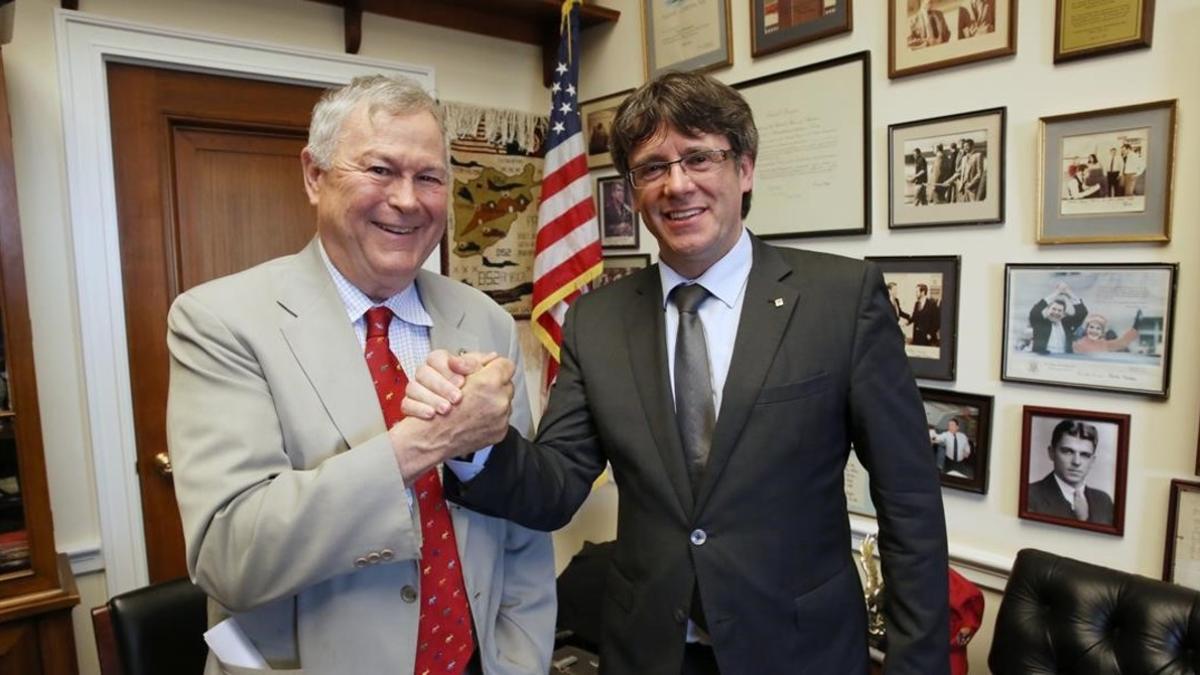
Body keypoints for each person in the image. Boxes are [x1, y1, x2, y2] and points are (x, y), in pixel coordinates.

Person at [407, 71, 949, 674]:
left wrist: (917, 664)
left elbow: (910, 502)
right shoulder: (597, 318)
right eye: (652, 168)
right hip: (650, 650)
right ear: (634, 190)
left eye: (699, 157)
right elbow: (558, 483)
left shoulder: (841, 300)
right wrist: (475, 439)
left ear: (744, 170)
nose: (678, 185)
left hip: (800, 649)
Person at [165, 75, 555, 675]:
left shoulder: (484, 321)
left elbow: (519, 528)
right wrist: (425, 444)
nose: (407, 199)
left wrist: (520, 660)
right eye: (379, 170)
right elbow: (230, 555)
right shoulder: (220, 322)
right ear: (314, 176)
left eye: (428, 177)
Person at [1026, 420, 1114, 524]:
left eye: (1084, 455)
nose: (1076, 462)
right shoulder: (1029, 495)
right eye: (1067, 451)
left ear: (1092, 461)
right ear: (1051, 453)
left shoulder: (1104, 501)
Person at [1028, 281, 1087, 354]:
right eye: (1054, 309)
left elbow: (1082, 312)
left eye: (1059, 310)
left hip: (1065, 360)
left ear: (1063, 313)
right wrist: (1057, 292)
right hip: (1044, 359)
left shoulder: (1067, 325)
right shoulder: (1040, 323)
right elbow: (1035, 311)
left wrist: (1068, 293)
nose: (1056, 312)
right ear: (1047, 310)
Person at [1072, 313, 1139, 354]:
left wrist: (1136, 325)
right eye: (1091, 327)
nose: (1094, 331)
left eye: (1098, 328)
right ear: (1086, 329)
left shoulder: (1105, 344)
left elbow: (1122, 343)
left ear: (1102, 333)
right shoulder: (1077, 345)